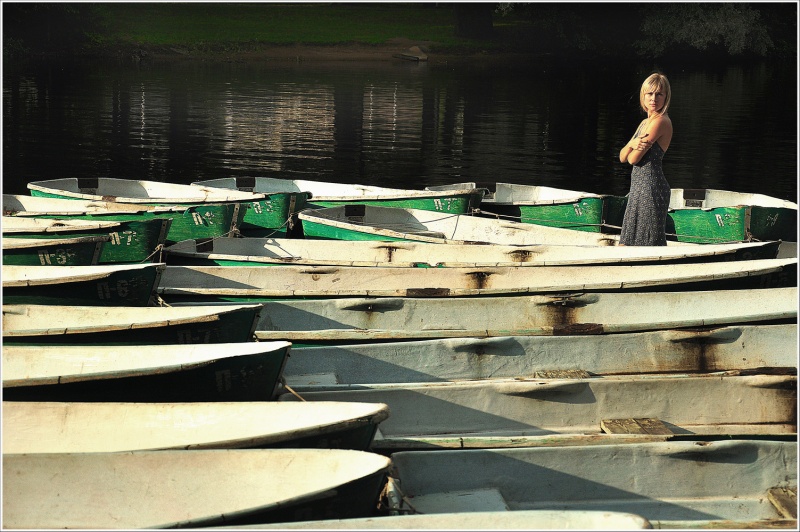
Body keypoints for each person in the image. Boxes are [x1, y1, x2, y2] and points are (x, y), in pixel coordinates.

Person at [618, 72, 673, 246]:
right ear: (643, 95)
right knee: (629, 241)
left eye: (659, 94)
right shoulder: (644, 123)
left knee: (647, 242)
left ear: (666, 97)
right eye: (650, 93)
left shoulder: (660, 122)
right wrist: (633, 143)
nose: (653, 98)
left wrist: (631, 147)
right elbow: (621, 156)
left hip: (651, 187)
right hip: (638, 188)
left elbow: (632, 159)